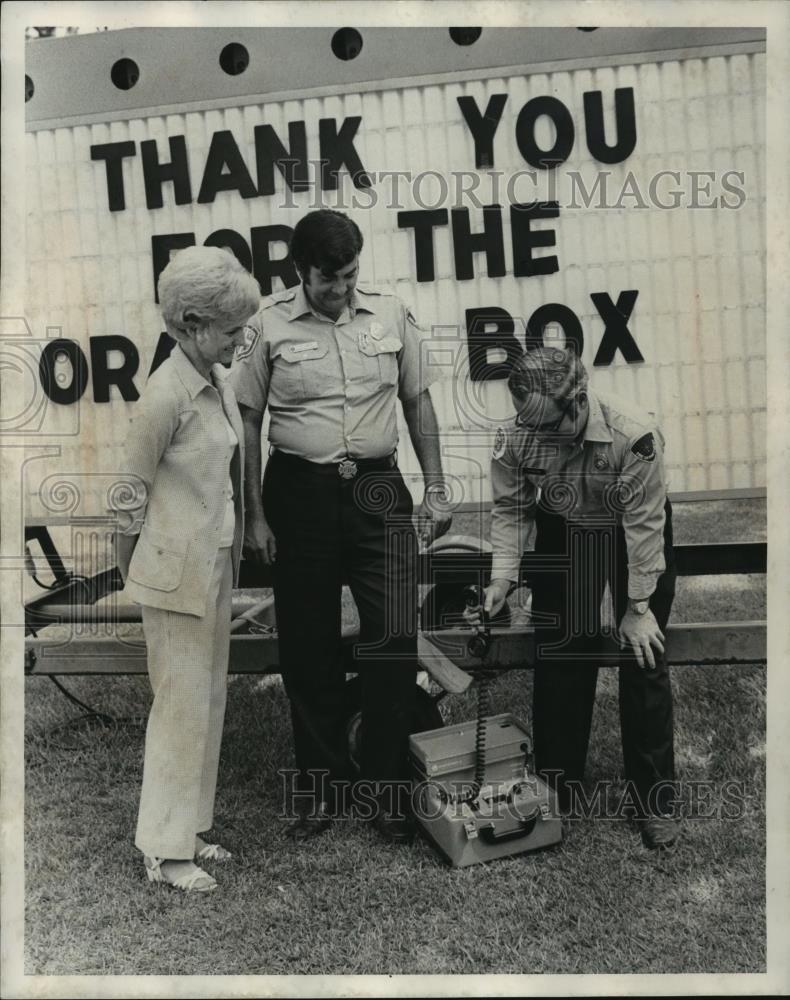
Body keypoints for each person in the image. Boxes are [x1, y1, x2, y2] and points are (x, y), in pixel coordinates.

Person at [229, 209, 451, 844]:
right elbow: (247, 421)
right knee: (309, 647)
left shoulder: (390, 313)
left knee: (393, 638)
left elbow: (417, 400)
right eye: (329, 279)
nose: (342, 289)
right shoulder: (265, 324)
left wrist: (435, 488)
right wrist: (255, 515)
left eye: (351, 275)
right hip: (299, 490)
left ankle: (384, 790)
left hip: (379, 487)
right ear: (301, 271)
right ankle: (320, 790)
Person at [466, 346, 679, 850]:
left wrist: (637, 609)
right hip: (565, 529)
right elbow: (512, 510)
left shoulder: (635, 435)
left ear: (578, 402)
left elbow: (646, 526)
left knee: (643, 654)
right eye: (528, 425)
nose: (535, 437)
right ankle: (557, 787)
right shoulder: (518, 433)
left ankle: (655, 801)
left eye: (547, 427)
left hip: (629, 528)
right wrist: (502, 579)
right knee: (562, 650)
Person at [113, 245, 260, 891]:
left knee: (209, 699)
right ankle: (164, 850)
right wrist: (139, 574)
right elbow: (126, 499)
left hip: (213, 565)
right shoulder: (164, 395)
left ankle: (191, 829)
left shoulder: (216, 383)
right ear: (193, 323)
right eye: (231, 330)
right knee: (178, 708)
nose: (241, 339)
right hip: (174, 581)